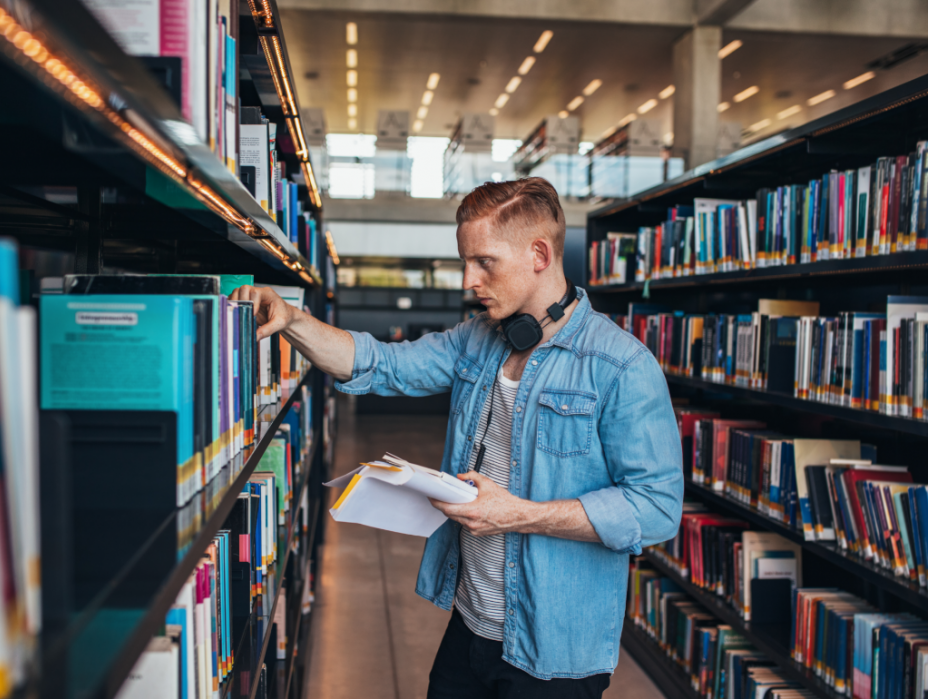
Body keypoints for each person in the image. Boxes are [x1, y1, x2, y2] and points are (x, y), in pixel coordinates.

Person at [231, 177, 683, 699]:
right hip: (469, 621)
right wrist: (291, 320)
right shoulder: (479, 337)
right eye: (465, 261)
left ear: (539, 254)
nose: (470, 279)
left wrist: (517, 513)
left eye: (485, 261)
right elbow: (381, 364)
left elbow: (656, 508)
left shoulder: (621, 367)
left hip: (554, 651)